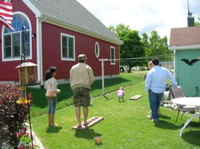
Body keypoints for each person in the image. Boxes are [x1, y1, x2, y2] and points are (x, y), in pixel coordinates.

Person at [70, 54, 94, 128]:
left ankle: (79, 123)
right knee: (85, 105)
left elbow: (71, 78)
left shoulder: (73, 67)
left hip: (75, 87)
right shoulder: (87, 67)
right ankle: (85, 121)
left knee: (77, 106)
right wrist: (88, 84)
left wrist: (73, 86)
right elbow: (92, 79)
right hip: (85, 87)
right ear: (85, 59)